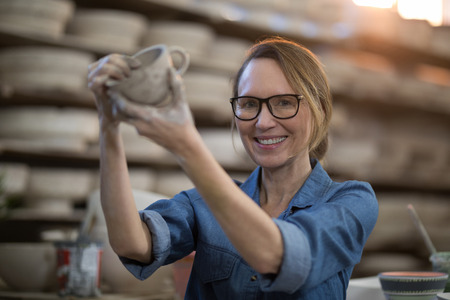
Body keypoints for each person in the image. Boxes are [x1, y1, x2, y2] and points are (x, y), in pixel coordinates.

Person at [87, 36, 378, 299]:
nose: (263, 122)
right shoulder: (202, 205)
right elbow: (130, 243)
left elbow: (276, 256)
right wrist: (109, 124)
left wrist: (187, 146)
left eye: (285, 102)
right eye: (249, 104)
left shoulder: (351, 203)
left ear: (321, 110)